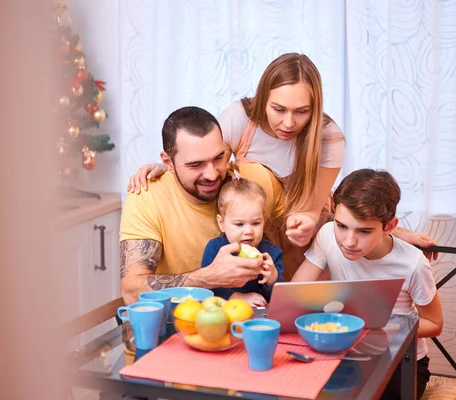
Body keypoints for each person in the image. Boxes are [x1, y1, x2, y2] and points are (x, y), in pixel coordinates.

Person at [126, 53, 438, 280]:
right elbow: (204, 151)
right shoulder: (239, 121)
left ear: (314, 110)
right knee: (255, 174)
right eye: (278, 109)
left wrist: (385, 235)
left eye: (301, 112)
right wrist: (163, 168)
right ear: (262, 100)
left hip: (292, 234)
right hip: (257, 225)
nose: (288, 123)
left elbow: (317, 210)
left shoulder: (328, 139)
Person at [291, 168, 443, 400]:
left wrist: (377, 326)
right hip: (345, 355)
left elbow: (434, 323)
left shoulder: (413, 263)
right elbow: (295, 294)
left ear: (389, 227)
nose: (349, 241)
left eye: (364, 231)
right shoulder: (327, 236)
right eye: (341, 226)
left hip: (400, 362)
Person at [119, 106, 266, 305]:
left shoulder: (248, 185)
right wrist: (208, 277)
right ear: (168, 162)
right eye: (196, 165)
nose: (212, 174)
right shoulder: (147, 196)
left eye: (218, 158)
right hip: (178, 323)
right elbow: (132, 292)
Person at [200, 174, 285, 306]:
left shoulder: (272, 253)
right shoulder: (215, 248)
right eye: (239, 224)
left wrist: (273, 279)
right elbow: (207, 287)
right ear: (221, 223)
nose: (248, 231)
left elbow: (279, 298)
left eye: (256, 223)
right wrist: (235, 296)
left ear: (264, 221)